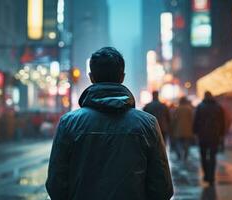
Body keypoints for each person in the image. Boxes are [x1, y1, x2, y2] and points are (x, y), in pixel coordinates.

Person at [46, 47, 173, 200]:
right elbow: (162, 188)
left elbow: (56, 184)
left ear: (91, 77)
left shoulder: (69, 123)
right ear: (122, 77)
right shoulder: (147, 124)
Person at [193, 91, 225, 185]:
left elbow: (196, 120)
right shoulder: (218, 107)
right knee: (212, 156)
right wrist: (222, 133)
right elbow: (222, 122)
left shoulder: (200, 107)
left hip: (202, 135)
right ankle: (211, 176)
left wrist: (195, 132)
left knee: (203, 156)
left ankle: (206, 174)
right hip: (215, 135)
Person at [171, 96, 194, 161]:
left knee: (178, 143)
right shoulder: (189, 109)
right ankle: (185, 156)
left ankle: (180, 155)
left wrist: (172, 128)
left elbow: (174, 120)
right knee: (186, 144)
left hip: (178, 130)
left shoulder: (177, 109)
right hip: (188, 130)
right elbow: (192, 119)